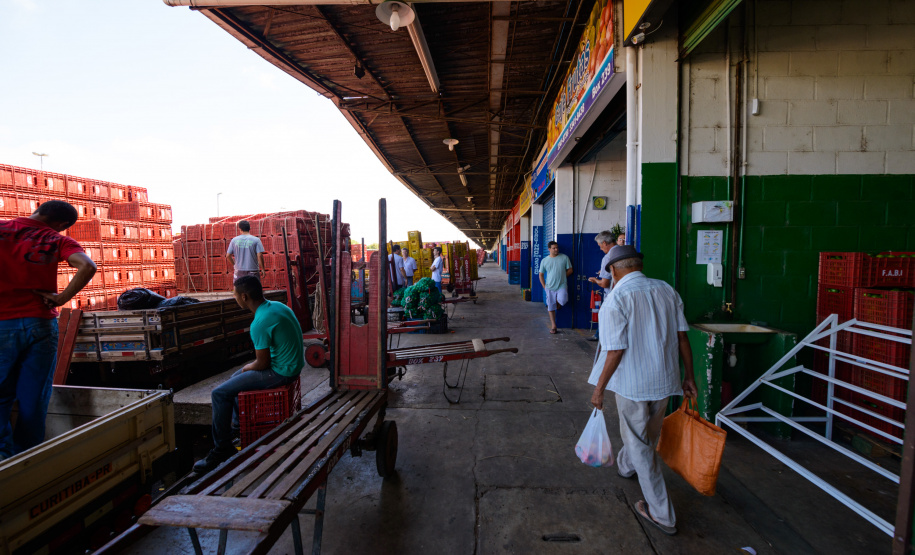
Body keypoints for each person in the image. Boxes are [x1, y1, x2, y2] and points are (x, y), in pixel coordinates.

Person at [588, 245, 697, 536]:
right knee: (645, 435)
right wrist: (690, 376)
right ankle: (627, 465)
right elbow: (683, 338)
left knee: (641, 444)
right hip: (664, 381)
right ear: (637, 265)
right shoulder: (666, 290)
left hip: (632, 385)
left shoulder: (616, 299)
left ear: (612, 270)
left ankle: (662, 514)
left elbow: (614, 351)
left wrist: (599, 390)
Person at [0, 201, 97, 460]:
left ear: (39, 210)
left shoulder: (3, 227)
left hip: (1, 325)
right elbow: (87, 266)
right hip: (39, 322)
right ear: (62, 224)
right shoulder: (55, 238)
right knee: (34, 398)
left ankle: (3, 460)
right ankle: (28, 460)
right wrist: (61, 297)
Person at [193, 276, 304, 473]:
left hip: (281, 372)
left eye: (234, 294)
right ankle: (237, 429)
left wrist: (248, 367)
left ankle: (221, 451)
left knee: (219, 393)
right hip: (292, 365)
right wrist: (246, 369)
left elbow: (262, 363)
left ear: (244, 296)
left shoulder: (260, 322)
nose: (234, 298)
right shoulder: (276, 306)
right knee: (235, 380)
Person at [587, 231, 617, 341]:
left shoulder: (607, 258)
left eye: (600, 246)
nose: (600, 249)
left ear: (604, 243)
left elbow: (605, 283)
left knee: (606, 320)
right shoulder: (625, 252)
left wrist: (595, 280)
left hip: (611, 296)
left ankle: (601, 338)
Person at [538, 241, 573, 334]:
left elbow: (570, 270)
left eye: (557, 247)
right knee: (550, 306)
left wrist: (563, 276)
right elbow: (541, 274)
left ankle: (558, 301)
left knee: (563, 300)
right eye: (554, 248)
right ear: (549, 249)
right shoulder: (544, 261)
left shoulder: (564, 258)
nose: (556, 249)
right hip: (549, 286)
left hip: (562, 285)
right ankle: (554, 326)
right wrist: (544, 287)